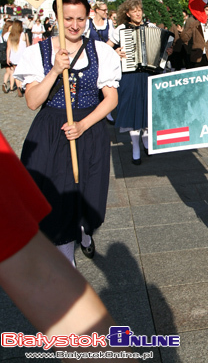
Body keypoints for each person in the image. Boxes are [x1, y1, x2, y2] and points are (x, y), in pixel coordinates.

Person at [13, 0, 121, 266]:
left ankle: (84, 231)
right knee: (54, 198)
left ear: (88, 18)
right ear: (57, 18)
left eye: (80, 19)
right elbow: (32, 101)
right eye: (68, 18)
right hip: (51, 130)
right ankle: (66, 261)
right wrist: (53, 71)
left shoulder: (101, 51)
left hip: (89, 128)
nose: (74, 25)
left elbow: (111, 99)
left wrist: (83, 124)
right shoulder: (37, 53)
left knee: (87, 194)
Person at [0, 131, 121, 361]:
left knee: (84, 206)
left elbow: (38, 276)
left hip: (88, 135)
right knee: (60, 218)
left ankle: (84, 236)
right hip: (54, 137)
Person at [107, 0, 153, 164]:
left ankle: (147, 142)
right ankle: (135, 147)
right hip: (130, 75)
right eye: (134, 11)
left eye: (139, 10)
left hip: (148, 73)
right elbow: (106, 48)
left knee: (148, 111)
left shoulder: (151, 27)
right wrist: (115, 53)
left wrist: (166, 51)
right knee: (133, 112)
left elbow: (162, 47)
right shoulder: (120, 29)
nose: (138, 13)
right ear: (127, 13)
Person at [178, 1, 208, 67]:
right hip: (197, 57)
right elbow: (185, 38)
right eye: (207, 10)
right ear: (203, 11)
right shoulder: (195, 24)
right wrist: (181, 32)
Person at [6, 19, 29, 96]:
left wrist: (7, 58)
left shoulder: (11, 35)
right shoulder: (24, 35)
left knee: (16, 73)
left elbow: (8, 48)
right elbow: (28, 46)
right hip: (22, 57)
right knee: (23, 72)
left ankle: (18, 86)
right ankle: (22, 85)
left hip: (14, 57)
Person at [1, 19, 13, 93]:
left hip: (3, 55)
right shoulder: (9, 34)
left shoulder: (3, 34)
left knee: (7, 71)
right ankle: (11, 87)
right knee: (12, 71)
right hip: (10, 54)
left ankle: (4, 83)